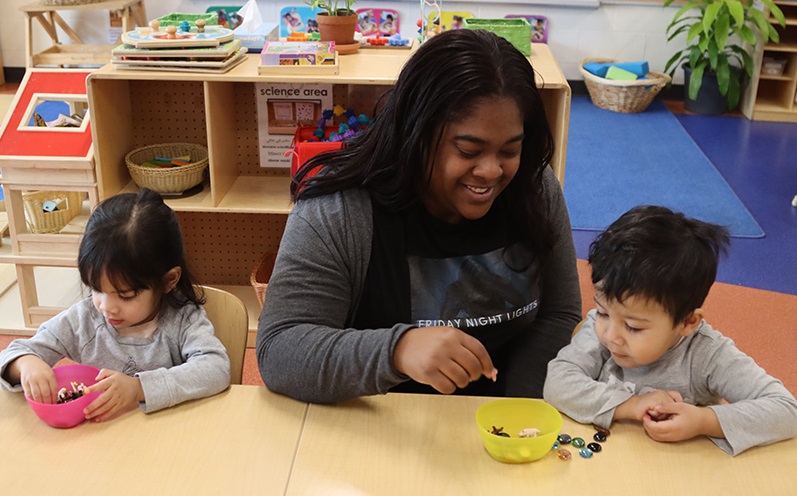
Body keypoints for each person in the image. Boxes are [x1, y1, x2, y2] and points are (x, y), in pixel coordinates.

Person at [257, 29, 582, 404]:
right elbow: (279, 350)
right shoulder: (339, 212)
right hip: (379, 427)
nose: (492, 171)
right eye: (468, 150)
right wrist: (397, 350)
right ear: (416, 134)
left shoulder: (534, 189)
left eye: (510, 150)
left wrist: (513, 407)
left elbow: (558, 313)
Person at [543, 205, 797, 456]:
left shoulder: (707, 355)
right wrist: (632, 405)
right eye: (603, 312)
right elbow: (557, 382)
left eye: (633, 327)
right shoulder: (601, 332)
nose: (611, 335)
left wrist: (704, 421)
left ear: (688, 322)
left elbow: (787, 410)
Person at [0, 189, 231, 422]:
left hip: (168, 438)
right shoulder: (85, 318)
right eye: (97, 289)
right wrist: (26, 364)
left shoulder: (181, 319)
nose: (106, 306)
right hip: (103, 443)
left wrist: (138, 387)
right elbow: (12, 354)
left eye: (125, 295)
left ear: (168, 280)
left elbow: (216, 368)